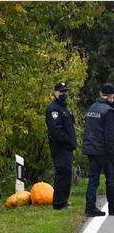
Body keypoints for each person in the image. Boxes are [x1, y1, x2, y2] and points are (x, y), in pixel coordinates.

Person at [82, 83, 114, 217]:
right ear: (111, 96)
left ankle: (90, 208)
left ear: (101, 93)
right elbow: (110, 136)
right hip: (104, 151)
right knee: (111, 179)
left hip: (91, 149)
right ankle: (112, 208)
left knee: (93, 179)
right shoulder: (108, 111)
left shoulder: (92, 108)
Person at [45, 82, 77, 210]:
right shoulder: (54, 109)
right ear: (55, 92)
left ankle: (63, 201)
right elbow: (56, 130)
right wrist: (68, 141)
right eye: (61, 92)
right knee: (62, 172)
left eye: (66, 91)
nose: (64, 94)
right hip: (60, 147)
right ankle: (59, 203)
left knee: (66, 173)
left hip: (66, 147)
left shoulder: (63, 108)